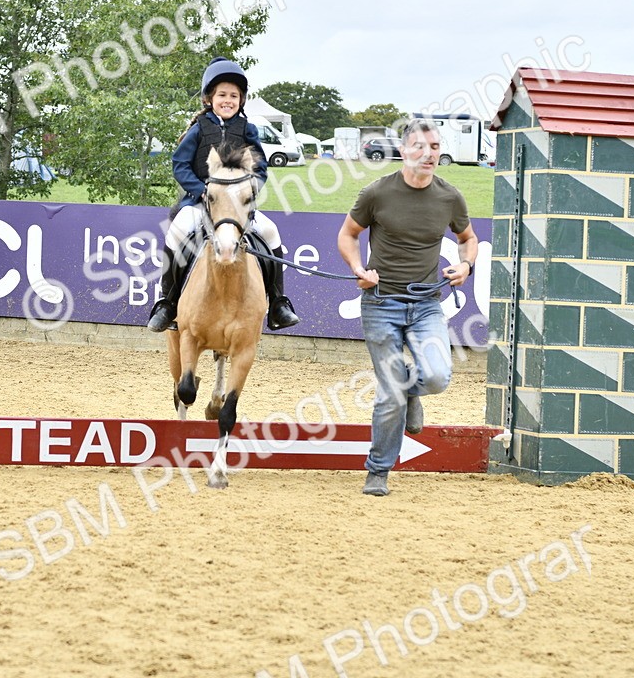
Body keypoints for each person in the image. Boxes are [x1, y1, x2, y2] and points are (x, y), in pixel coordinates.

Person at [336, 119, 478, 496]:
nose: (428, 153)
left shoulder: (449, 197)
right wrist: (358, 269)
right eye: (420, 146)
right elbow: (348, 234)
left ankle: (413, 389)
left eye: (435, 147)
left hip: (427, 304)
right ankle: (378, 471)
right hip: (380, 303)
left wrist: (466, 265)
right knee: (390, 392)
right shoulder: (377, 193)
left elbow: (468, 238)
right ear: (403, 150)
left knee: (437, 377)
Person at [145, 57, 299, 333]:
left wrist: (250, 190)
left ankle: (278, 302)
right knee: (178, 231)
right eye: (222, 95)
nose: (228, 100)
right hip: (200, 202)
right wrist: (201, 190)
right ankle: (167, 303)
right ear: (209, 99)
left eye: (234, 96)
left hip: (237, 206)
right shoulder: (199, 129)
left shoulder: (248, 129)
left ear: (241, 100)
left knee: (270, 230)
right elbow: (180, 165)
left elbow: (260, 167)